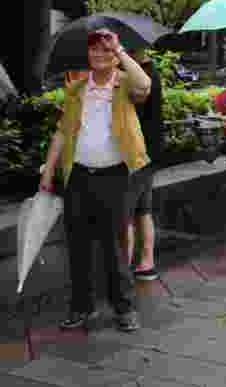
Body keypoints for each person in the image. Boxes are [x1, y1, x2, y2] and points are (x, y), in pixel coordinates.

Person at [40, 29, 150, 334]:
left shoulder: (124, 83)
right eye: (94, 50)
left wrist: (121, 51)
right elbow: (62, 131)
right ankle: (81, 307)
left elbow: (145, 85)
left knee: (115, 246)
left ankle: (124, 308)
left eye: (105, 51)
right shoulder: (76, 89)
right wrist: (49, 171)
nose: (99, 55)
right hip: (78, 176)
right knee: (77, 245)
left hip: (114, 177)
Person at [122, 53, 162, 281]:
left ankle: (124, 269)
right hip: (149, 153)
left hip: (138, 153)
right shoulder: (151, 71)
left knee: (126, 212)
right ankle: (147, 262)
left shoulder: (142, 77)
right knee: (143, 210)